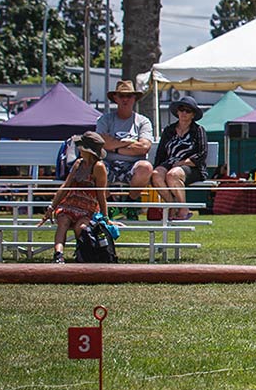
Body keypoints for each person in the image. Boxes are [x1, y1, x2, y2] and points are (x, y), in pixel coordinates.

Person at [44, 131, 113, 264]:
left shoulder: (99, 167)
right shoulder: (78, 163)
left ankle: (83, 254)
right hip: (69, 204)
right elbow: (66, 186)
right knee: (63, 221)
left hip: (88, 207)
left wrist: (105, 217)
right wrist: (52, 207)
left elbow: (101, 194)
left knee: (80, 227)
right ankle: (58, 255)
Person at [96, 80, 154, 221]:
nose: (125, 99)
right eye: (121, 96)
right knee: (96, 167)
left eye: (129, 96)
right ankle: (110, 205)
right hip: (108, 164)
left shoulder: (143, 121)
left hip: (133, 166)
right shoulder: (104, 120)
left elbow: (144, 147)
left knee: (146, 167)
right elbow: (100, 143)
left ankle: (131, 204)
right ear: (115, 98)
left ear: (134, 98)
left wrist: (114, 147)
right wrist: (129, 144)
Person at [150, 96, 208, 220]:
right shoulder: (169, 130)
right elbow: (161, 153)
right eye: (181, 109)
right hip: (170, 163)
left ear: (193, 115)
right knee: (155, 174)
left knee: (173, 175)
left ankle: (183, 209)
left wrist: (181, 163)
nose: (184, 113)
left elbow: (201, 154)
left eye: (188, 111)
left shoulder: (198, 130)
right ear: (177, 112)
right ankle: (173, 205)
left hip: (192, 167)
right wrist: (160, 167)